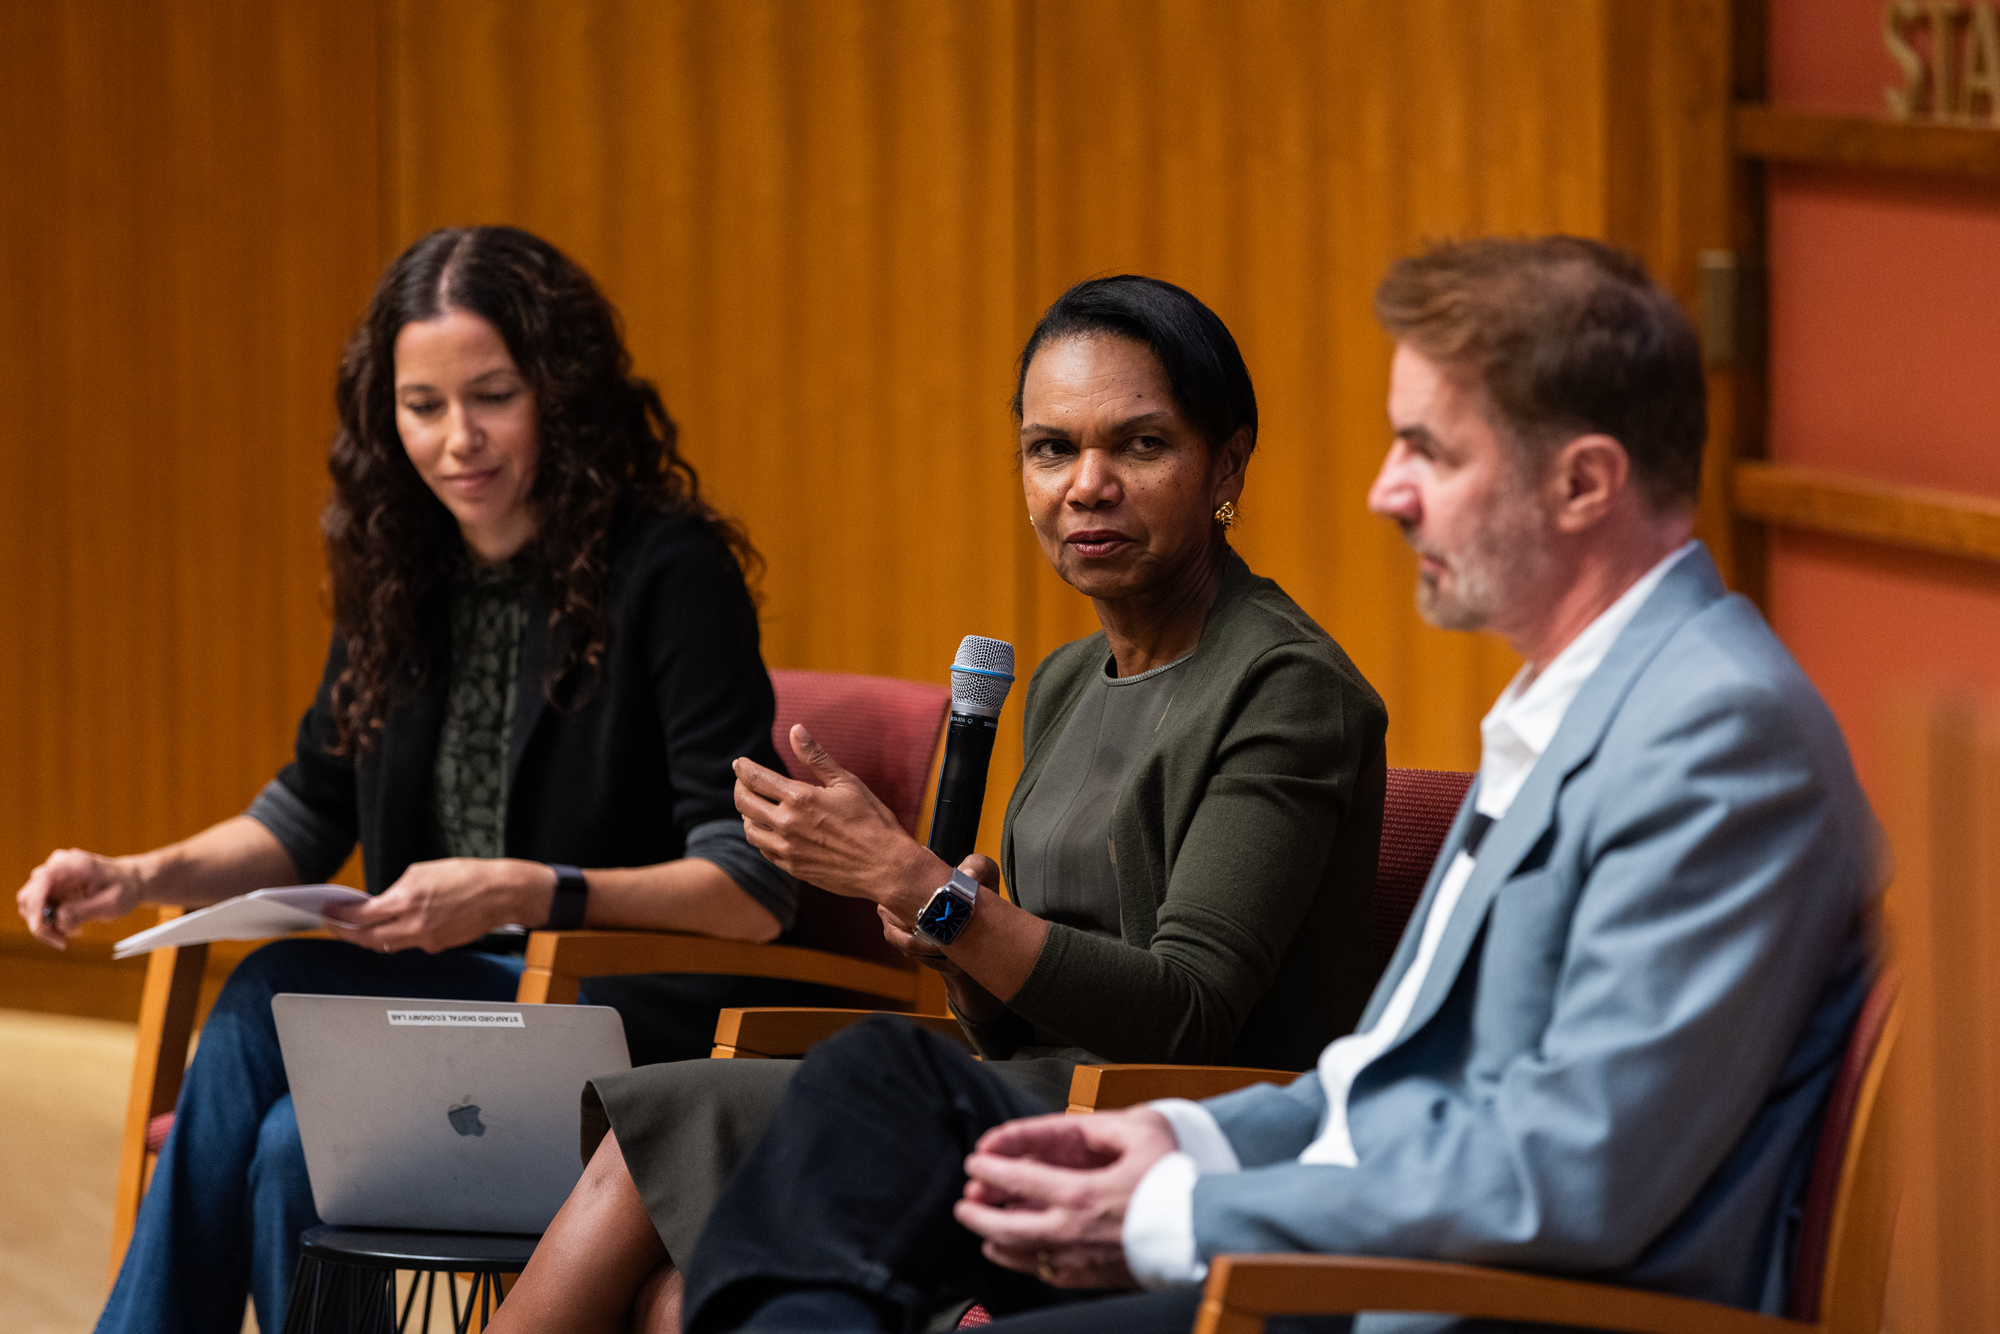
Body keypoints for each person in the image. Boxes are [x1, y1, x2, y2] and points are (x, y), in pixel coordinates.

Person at [656, 236, 1883, 1334]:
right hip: (1342, 1236)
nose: (1383, 490)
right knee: (871, 1096)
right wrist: (1177, 1136)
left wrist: (1176, 1207)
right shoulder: (1580, 707)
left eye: (1430, 448)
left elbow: (1565, 1179)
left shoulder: (1710, 733)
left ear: (1581, 483)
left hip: (1443, 1296)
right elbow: (1381, 1083)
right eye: (1049, 447)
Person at [484, 275, 1390, 1334]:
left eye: (1138, 446)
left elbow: (1188, 1011)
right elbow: (1015, 1007)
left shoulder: (1285, 687)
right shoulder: (1058, 681)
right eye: (1050, 448)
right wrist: (949, 932)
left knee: (676, 1141)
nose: (1085, 485)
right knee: (681, 1280)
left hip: (1160, 1129)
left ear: (1225, 463)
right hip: (1020, 1087)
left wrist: (931, 891)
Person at [14, 226, 810, 1334]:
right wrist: (139, 871)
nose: (456, 440)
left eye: (492, 395)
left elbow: (747, 888)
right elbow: (306, 808)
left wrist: (523, 890)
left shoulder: (669, 570)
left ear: (561, 395)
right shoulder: (403, 564)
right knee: (285, 1110)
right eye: (422, 405)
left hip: (598, 1016)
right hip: (436, 1001)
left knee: (260, 1016)